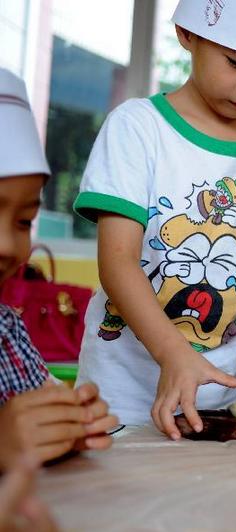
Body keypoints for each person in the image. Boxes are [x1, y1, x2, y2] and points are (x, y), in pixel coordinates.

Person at [71, 0, 236, 439]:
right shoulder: (137, 128)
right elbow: (118, 263)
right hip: (123, 399)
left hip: (226, 403)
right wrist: (174, 354)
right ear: (188, 34)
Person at [0, 67, 117, 470]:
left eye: (21, 222)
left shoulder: (8, 332)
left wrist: (68, 423)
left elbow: (34, 427)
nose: (6, 246)